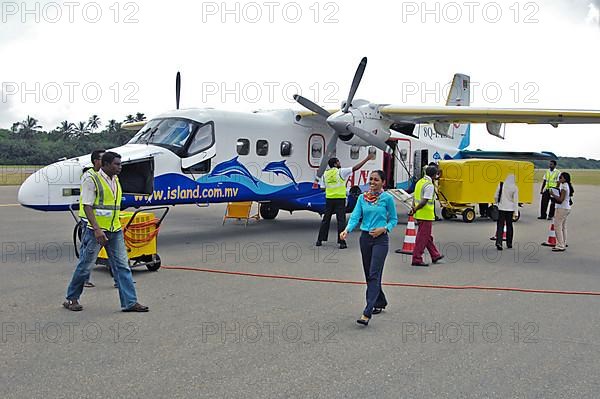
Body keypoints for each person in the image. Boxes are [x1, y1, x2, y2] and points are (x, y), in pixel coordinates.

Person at [63, 151, 148, 312]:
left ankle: (130, 302)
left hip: (114, 230)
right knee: (85, 267)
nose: (120, 167)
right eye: (117, 164)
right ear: (106, 164)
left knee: (123, 266)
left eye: (120, 164)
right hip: (97, 232)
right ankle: (72, 298)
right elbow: (87, 206)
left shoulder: (115, 179)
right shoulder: (91, 179)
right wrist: (96, 229)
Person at [340, 170, 398, 326]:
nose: (373, 182)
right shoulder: (362, 198)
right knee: (369, 274)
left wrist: (384, 228)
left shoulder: (387, 198)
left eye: (376, 180)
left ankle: (367, 311)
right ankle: (380, 300)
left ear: (383, 182)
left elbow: (393, 219)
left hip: (380, 239)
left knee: (374, 273)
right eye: (371, 179)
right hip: (365, 238)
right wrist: (347, 230)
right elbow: (355, 216)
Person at [316, 153, 374, 249]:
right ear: (335, 164)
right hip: (340, 199)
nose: (340, 163)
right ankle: (342, 242)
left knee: (326, 220)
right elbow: (355, 168)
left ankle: (319, 240)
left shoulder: (325, 174)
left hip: (329, 199)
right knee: (341, 221)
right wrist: (366, 159)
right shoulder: (340, 172)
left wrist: (331, 188)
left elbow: (322, 188)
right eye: (338, 162)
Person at [406, 165, 444, 266]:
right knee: (422, 238)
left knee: (427, 237)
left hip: (419, 214)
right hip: (425, 214)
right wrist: (415, 209)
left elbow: (415, 197)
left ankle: (435, 254)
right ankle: (417, 258)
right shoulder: (429, 185)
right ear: (434, 175)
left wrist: (413, 208)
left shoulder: (420, 182)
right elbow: (424, 201)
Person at [80, 149, 105, 288]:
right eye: (103, 159)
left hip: (104, 221)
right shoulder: (89, 176)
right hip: (89, 220)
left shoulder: (105, 176)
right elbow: (87, 203)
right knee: (88, 251)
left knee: (114, 253)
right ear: (96, 161)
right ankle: (83, 278)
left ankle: (119, 279)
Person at [494, 174, 519, 250]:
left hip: (501, 208)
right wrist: (516, 212)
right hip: (510, 209)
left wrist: (497, 203)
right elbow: (516, 201)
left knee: (500, 225)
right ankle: (509, 243)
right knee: (509, 225)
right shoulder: (515, 187)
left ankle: (499, 242)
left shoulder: (501, 184)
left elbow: (495, 196)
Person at [550, 172, 574, 252]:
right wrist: (557, 184)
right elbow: (557, 190)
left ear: (565, 179)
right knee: (563, 226)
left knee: (557, 226)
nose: (559, 179)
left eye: (561, 177)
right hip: (566, 208)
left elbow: (560, 199)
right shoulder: (565, 185)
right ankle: (563, 242)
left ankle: (560, 245)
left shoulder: (564, 186)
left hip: (562, 208)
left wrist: (552, 194)